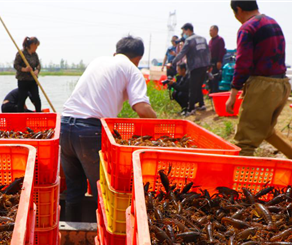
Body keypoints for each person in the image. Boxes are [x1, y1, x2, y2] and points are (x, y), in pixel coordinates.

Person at [61, 36, 157, 221]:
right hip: (90, 131)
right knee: (102, 189)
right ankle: (102, 234)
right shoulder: (132, 69)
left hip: (65, 126)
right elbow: (141, 108)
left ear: (116, 52)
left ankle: (73, 229)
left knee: (74, 188)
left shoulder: (98, 61)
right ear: (137, 59)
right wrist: (161, 125)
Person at [226, 1, 292, 162]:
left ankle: (239, 182)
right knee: (267, 130)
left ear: (238, 10)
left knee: (245, 141)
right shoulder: (272, 22)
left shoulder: (247, 28)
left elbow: (243, 63)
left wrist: (233, 93)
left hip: (263, 86)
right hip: (282, 84)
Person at [171, 23, 210, 116]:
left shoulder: (189, 40)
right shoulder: (203, 39)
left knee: (193, 88)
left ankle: (191, 109)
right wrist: (208, 64)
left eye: (184, 31)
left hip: (195, 66)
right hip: (204, 65)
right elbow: (208, 52)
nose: (183, 33)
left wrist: (174, 61)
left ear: (188, 30)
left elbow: (182, 53)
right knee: (199, 85)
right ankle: (201, 104)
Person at [14, 37, 42, 112]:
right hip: (23, 80)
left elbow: (38, 65)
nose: (36, 48)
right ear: (32, 45)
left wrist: (37, 70)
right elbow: (16, 65)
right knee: (22, 99)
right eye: (36, 46)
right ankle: (20, 116)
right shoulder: (21, 53)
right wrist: (25, 69)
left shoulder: (35, 54)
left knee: (36, 98)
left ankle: (38, 114)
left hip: (32, 80)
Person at [208, 25, 226, 94]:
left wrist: (219, 61)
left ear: (216, 31)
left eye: (211, 30)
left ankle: (215, 93)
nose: (210, 32)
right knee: (210, 78)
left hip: (216, 61)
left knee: (215, 78)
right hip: (210, 61)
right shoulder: (210, 41)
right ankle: (210, 92)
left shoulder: (220, 39)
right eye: (209, 31)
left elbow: (221, 51)